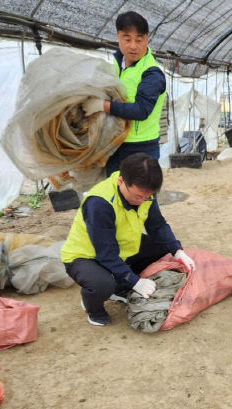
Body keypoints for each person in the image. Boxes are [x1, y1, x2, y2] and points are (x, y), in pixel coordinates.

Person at [60, 153, 196, 326]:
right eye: (139, 196)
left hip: (120, 246)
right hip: (85, 256)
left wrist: (177, 250)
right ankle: (92, 304)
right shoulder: (100, 203)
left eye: (148, 197)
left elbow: (157, 225)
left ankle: (119, 286)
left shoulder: (145, 193)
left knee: (163, 249)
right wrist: (135, 281)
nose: (143, 201)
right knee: (102, 284)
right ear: (121, 181)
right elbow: (105, 253)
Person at [81, 11, 167, 176]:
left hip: (141, 147)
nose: (133, 45)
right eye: (127, 39)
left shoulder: (151, 72)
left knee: (140, 197)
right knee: (113, 195)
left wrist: (103, 106)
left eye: (139, 40)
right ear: (118, 37)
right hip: (115, 143)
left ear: (147, 39)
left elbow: (141, 111)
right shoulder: (116, 65)